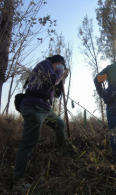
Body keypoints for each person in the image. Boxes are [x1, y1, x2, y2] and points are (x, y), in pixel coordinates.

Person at [12, 55, 69, 194]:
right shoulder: (46, 64)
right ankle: (18, 181)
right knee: (28, 142)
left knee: (60, 124)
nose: (60, 68)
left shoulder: (52, 71)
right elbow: (53, 79)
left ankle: (65, 151)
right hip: (34, 106)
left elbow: (55, 94)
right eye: (61, 65)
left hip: (45, 108)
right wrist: (61, 72)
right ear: (59, 62)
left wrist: (63, 80)